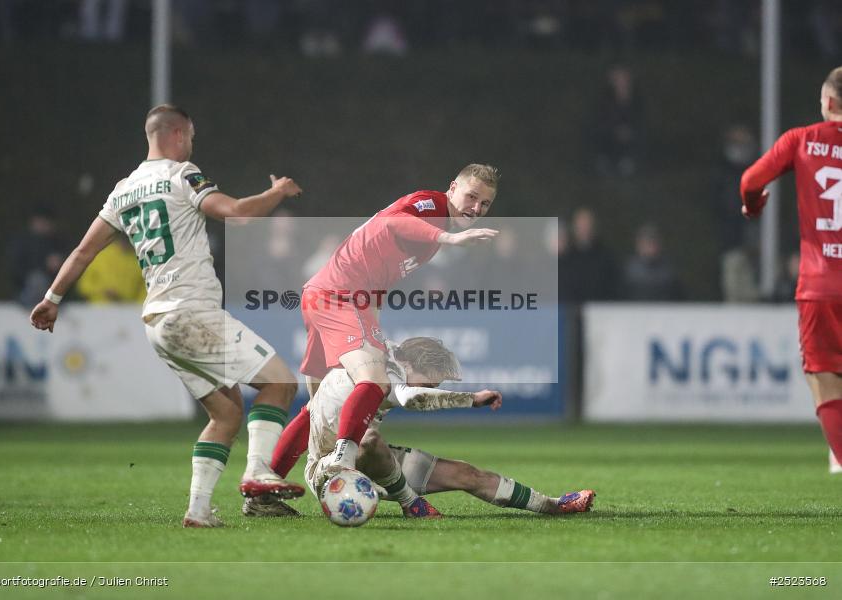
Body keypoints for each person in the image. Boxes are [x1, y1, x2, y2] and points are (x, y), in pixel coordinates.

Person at [29, 104, 306, 526]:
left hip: (158, 323)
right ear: (177, 134)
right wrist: (276, 193)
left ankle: (197, 510)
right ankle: (257, 473)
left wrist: (52, 297)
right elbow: (236, 213)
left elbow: (84, 250)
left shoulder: (124, 189)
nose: (191, 144)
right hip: (191, 310)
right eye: (190, 136)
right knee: (280, 382)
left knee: (227, 414)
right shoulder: (183, 174)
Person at [264, 164, 500, 506]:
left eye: (485, 204)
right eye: (471, 196)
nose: (476, 208)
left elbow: (380, 273)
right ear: (452, 188)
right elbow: (393, 221)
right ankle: (342, 464)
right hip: (338, 296)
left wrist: (374, 323)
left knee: (317, 409)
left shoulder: (432, 232)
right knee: (375, 380)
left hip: (335, 297)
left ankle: (263, 492)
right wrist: (450, 237)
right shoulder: (431, 206)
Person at [246, 338, 595, 518]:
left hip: (364, 461)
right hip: (329, 470)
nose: (433, 386)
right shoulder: (384, 371)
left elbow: (305, 413)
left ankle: (551, 505)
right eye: (432, 380)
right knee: (368, 440)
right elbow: (412, 397)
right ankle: (411, 503)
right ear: (411, 364)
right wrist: (470, 399)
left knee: (467, 474)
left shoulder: (362, 361)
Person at [739, 67, 842, 474]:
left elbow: (750, 179)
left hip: (820, 284)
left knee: (824, 379)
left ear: (829, 103)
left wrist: (753, 205)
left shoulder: (802, 139)